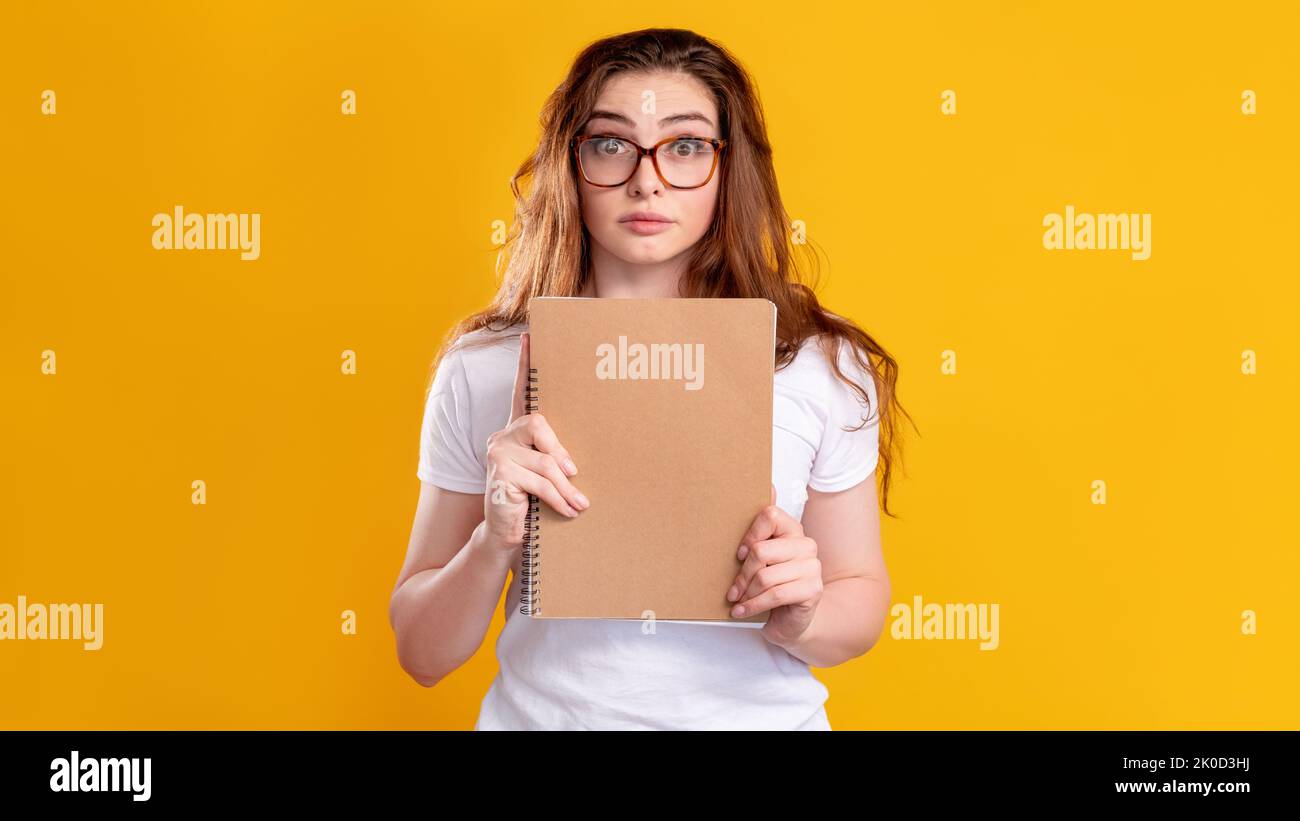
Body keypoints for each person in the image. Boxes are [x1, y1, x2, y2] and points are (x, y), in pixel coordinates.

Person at [389, 27, 911, 730]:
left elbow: (862, 598)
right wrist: (494, 539)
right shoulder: (483, 367)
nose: (647, 178)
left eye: (686, 146)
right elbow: (423, 653)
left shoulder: (816, 364)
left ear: (730, 167)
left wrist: (802, 611)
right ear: (571, 163)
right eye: (611, 144)